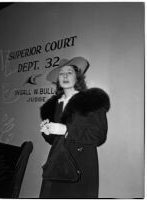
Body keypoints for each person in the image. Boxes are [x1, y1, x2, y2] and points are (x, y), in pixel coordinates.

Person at [39, 57, 110, 198]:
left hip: (80, 164)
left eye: (69, 72)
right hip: (56, 163)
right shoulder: (56, 104)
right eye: (61, 73)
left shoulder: (91, 101)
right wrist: (47, 131)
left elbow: (99, 136)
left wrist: (66, 130)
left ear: (77, 77)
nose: (65, 76)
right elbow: (54, 140)